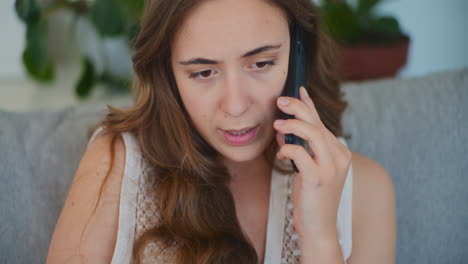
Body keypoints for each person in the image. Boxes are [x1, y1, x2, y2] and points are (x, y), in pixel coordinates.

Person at [47, 0, 396, 263]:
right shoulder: (117, 163)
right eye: (203, 73)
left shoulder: (366, 189)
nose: (235, 106)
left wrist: (320, 237)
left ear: (298, 53)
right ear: (167, 73)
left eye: (261, 64)